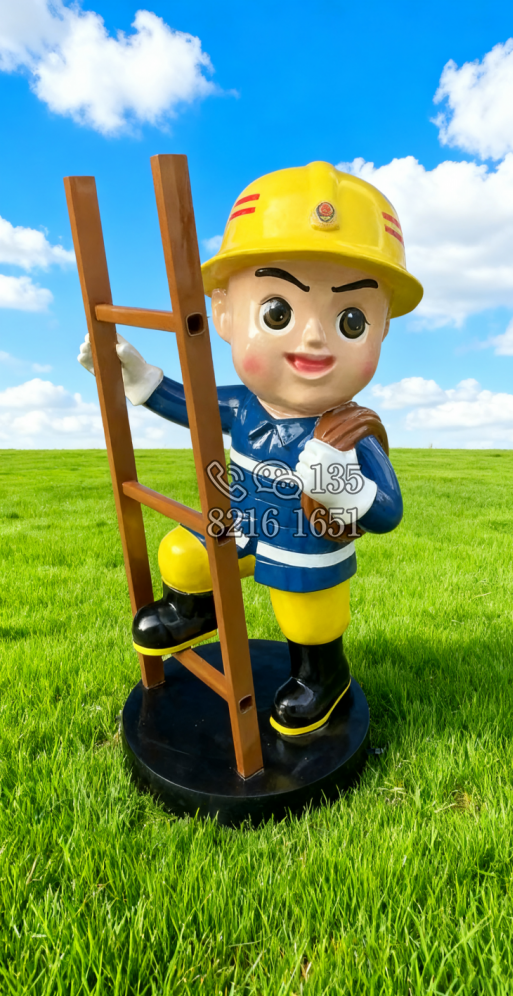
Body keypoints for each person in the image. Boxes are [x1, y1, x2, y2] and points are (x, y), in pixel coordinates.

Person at [78, 161, 423, 736]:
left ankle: (322, 672)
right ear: (224, 313)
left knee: (306, 611)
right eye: (278, 312)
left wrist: (341, 488)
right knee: (183, 551)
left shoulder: (349, 430)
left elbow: (387, 511)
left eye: (351, 319)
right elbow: (191, 407)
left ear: (382, 327)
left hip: (304, 541)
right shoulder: (243, 406)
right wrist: (141, 381)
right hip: (238, 522)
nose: (313, 337)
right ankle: (194, 610)